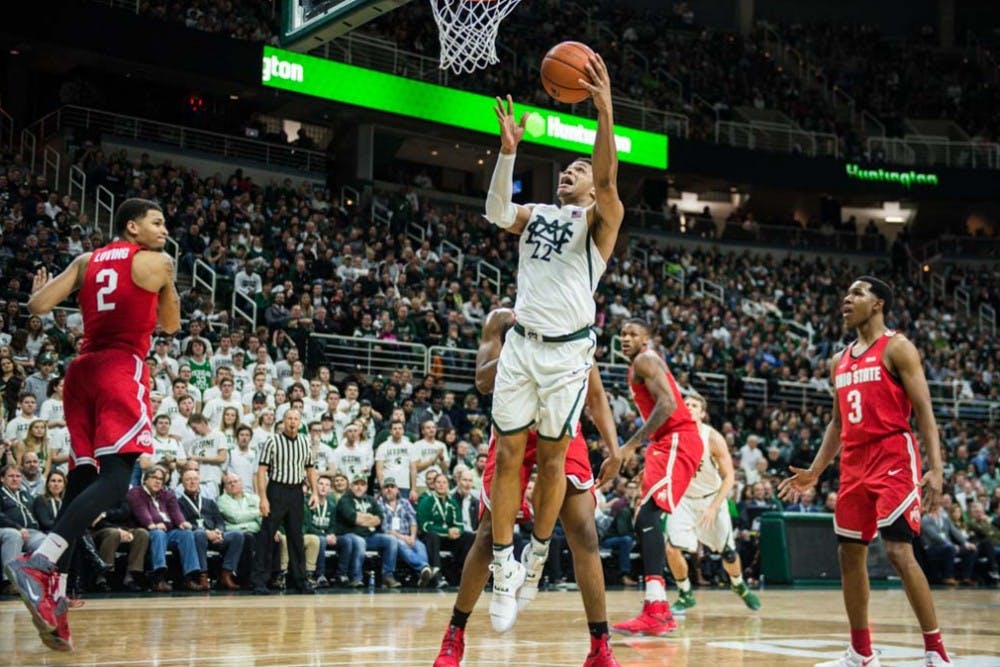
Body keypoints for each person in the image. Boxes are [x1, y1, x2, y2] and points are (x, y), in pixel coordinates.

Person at [483, 52, 624, 636]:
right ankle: (503, 565)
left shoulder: (600, 222)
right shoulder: (539, 212)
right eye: (564, 169)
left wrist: (603, 111)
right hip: (522, 345)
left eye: (577, 169)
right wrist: (508, 149)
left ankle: (539, 553)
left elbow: (610, 178)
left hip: (567, 354)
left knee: (552, 465)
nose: (569, 173)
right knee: (510, 456)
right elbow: (495, 211)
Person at [6, 198, 179, 652]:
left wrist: (41, 290)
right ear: (132, 226)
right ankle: (40, 563)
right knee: (117, 482)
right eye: (156, 223)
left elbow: (37, 306)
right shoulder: (157, 262)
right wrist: (170, 284)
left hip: (79, 372)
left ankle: (55, 602)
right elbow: (171, 324)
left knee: (83, 479)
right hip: (120, 367)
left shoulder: (86, 260)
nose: (164, 230)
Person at [434, 308, 623, 667]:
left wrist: (614, 448)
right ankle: (454, 636)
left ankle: (600, 647)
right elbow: (483, 381)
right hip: (514, 427)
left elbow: (595, 395)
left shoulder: (574, 321)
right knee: (489, 534)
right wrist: (524, 346)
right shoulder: (503, 320)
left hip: (560, 427)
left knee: (584, 531)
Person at [779, 276, 951, 667]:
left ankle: (936, 651)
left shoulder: (898, 347)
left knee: (897, 550)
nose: (847, 298)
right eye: (847, 293)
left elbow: (924, 411)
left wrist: (937, 468)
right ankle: (860, 651)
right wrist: (815, 470)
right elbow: (837, 424)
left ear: (878, 304)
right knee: (848, 554)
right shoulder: (839, 360)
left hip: (892, 455)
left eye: (857, 293)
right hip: (854, 462)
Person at [610, 318, 704, 637]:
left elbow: (668, 404)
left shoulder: (646, 359)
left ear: (646, 339)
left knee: (648, 517)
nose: (625, 338)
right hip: (664, 442)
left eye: (633, 334)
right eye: (622, 333)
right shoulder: (641, 363)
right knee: (645, 519)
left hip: (676, 438)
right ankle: (659, 608)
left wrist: (632, 444)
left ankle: (656, 609)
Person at [666, 395, 761, 614]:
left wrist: (713, 507)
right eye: (686, 404)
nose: (689, 407)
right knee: (672, 548)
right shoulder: (672, 435)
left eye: (694, 405)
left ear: (702, 413)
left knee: (727, 553)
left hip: (711, 498)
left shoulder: (712, 438)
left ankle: (739, 585)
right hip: (683, 500)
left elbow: (729, 478)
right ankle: (685, 593)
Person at [251, 408, 319, 595]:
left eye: (296, 419)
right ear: (283, 421)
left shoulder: (305, 442)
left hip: (297, 491)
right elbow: (262, 471)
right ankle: (259, 580)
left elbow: (310, 469)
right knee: (267, 536)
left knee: (296, 537)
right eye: (289, 418)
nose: (292, 422)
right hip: (276, 490)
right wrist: (263, 498)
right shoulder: (273, 441)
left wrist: (314, 492)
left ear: (300, 422)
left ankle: (300, 580)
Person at [176, 468, 244, 590]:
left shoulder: (209, 502)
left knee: (237, 535)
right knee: (199, 534)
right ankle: (203, 575)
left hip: (215, 536)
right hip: (196, 537)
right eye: (188, 479)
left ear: (199, 481)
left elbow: (219, 521)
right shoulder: (178, 503)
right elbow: (183, 523)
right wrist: (206, 532)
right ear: (182, 483)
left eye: (195, 479)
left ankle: (226, 574)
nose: (192, 482)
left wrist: (218, 531)